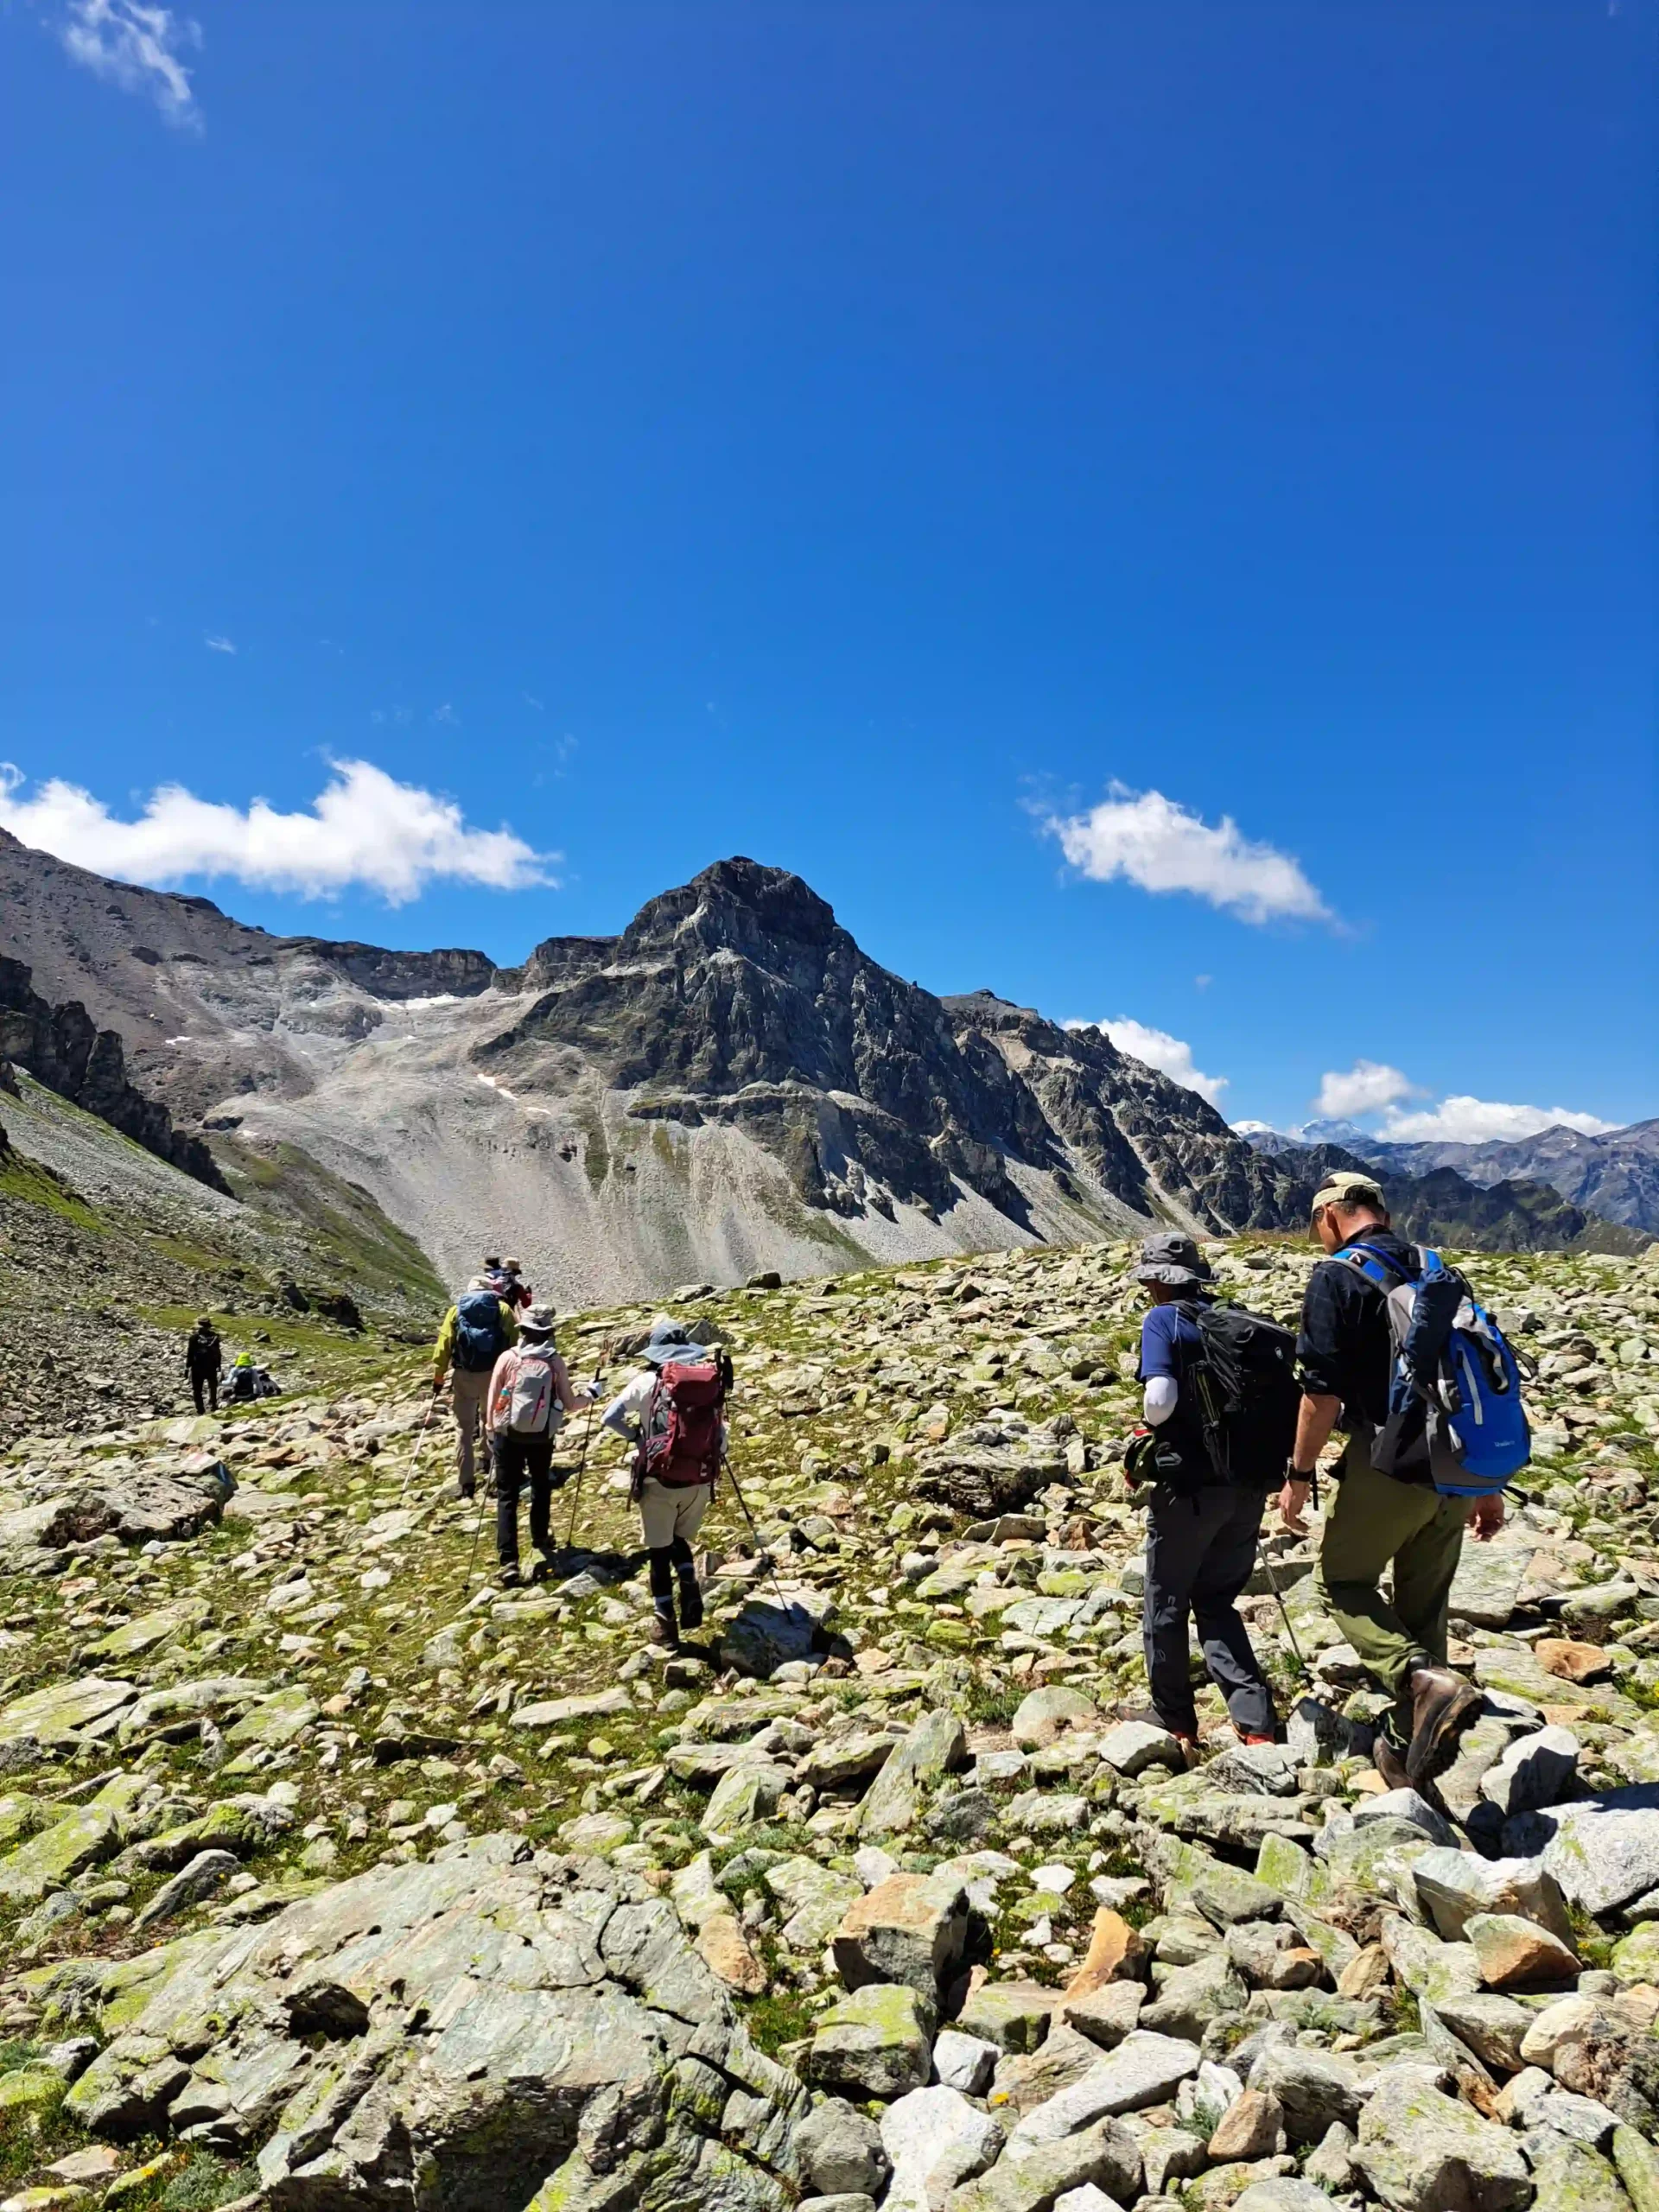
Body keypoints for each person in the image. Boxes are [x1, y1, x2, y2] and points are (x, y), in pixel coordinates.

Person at [1281, 1171, 1500, 1791]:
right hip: (1456, 1464)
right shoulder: (1437, 1268)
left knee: (1342, 1580)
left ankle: (1416, 1680)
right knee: (1423, 1603)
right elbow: (1475, 1376)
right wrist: (1487, 1482)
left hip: (1389, 1458)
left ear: (1330, 1215)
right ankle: (1411, 1751)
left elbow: (1319, 1393)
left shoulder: (1336, 1275)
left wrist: (1297, 1474)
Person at [1123, 1231, 1276, 1760]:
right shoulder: (1231, 1319)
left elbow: (1159, 1399)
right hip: (1248, 1483)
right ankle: (1255, 1721)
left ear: (1153, 1281)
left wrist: (1147, 1426)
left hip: (1189, 1486)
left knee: (1166, 1598)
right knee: (1215, 1599)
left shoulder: (1161, 1320)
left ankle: (1175, 1720)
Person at [602, 1319, 724, 1648]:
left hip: (658, 1477)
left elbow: (608, 1417)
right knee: (679, 1539)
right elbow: (721, 1438)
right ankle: (688, 1578)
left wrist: (637, 1439)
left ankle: (665, 1625)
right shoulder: (706, 1381)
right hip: (698, 1478)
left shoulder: (644, 1382)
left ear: (654, 1354)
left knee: (658, 1551)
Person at [484, 1304, 596, 1586]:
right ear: (549, 1332)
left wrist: (489, 1431)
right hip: (541, 1435)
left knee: (507, 1494)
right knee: (540, 1484)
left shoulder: (508, 1358)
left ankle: (508, 1560)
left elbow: (493, 1397)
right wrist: (592, 1395)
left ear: (523, 1330)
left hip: (506, 1434)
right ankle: (540, 1538)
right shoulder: (555, 1362)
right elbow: (570, 1404)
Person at [432, 1278, 519, 1499]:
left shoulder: (456, 1311)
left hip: (464, 1374)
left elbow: (444, 1344)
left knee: (463, 1427)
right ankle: (488, 1464)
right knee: (491, 1420)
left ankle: (466, 1482)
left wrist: (439, 1376)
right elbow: (514, 1340)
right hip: (494, 1374)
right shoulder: (503, 1309)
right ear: (490, 1291)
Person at [184, 1316, 222, 1414]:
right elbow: (218, 1352)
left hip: (197, 1367)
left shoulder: (194, 1337)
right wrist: (219, 1365)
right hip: (211, 1366)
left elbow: (190, 1353)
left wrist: (187, 1367)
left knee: (197, 1389)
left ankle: (200, 1409)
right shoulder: (214, 1336)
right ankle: (213, 1405)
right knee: (212, 1386)